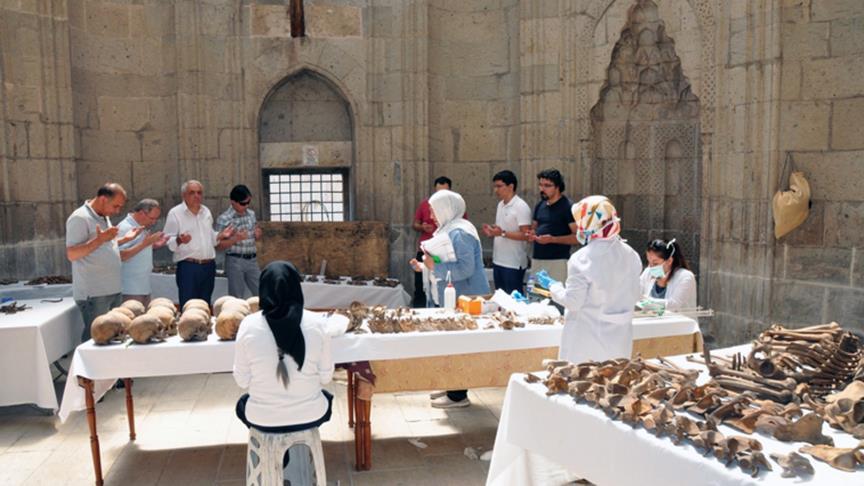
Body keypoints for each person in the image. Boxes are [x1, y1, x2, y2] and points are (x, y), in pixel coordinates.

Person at [233, 261, 336, 475]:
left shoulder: (248, 325)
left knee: (242, 405)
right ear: (296, 287)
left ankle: (274, 466)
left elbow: (241, 381)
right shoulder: (318, 323)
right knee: (325, 396)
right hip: (310, 413)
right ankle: (296, 463)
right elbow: (326, 377)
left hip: (262, 418)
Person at [535, 196, 642, 364]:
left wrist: (553, 286)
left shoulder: (582, 258)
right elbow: (637, 294)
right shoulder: (631, 254)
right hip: (620, 342)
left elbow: (573, 302)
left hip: (586, 343)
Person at [410, 190, 489, 409]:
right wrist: (423, 266)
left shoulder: (460, 233)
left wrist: (434, 265)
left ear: (447, 209)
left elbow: (465, 269)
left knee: (460, 345)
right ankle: (451, 385)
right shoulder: (448, 230)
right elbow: (443, 261)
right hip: (454, 295)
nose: (432, 216)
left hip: (466, 296)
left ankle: (458, 395)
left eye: (434, 211)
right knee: (450, 344)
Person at [66, 183, 130, 341]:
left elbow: (104, 247)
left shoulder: (104, 216)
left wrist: (126, 239)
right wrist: (100, 239)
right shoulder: (79, 218)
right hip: (94, 293)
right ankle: (86, 366)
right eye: (115, 206)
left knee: (114, 335)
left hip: (112, 288)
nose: (117, 211)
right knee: (95, 338)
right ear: (102, 199)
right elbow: (72, 254)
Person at [163, 180, 236, 307]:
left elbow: (210, 237)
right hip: (188, 267)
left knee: (205, 305)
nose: (197, 196)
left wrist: (221, 235)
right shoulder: (175, 213)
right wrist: (180, 240)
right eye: (192, 193)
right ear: (184, 195)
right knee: (188, 306)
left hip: (208, 266)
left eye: (199, 193)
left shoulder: (206, 211)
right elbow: (168, 240)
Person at [411, 176, 463, 306]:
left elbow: (462, 269)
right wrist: (422, 227)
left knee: (441, 285)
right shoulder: (425, 204)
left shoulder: (459, 232)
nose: (432, 216)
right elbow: (415, 224)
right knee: (421, 286)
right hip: (427, 251)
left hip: (444, 256)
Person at [482, 170, 532, 294]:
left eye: (499, 186)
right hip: (498, 260)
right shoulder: (500, 205)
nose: (496, 190)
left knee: (514, 301)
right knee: (501, 299)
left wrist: (502, 233)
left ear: (511, 186)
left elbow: (526, 235)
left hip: (513, 263)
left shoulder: (521, 206)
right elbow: (502, 229)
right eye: (495, 186)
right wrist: (492, 231)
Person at [527, 169, 578, 283]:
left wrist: (553, 239)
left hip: (558, 262)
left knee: (556, 299)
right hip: (537, 260)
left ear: (557, 187)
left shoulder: (568, 207)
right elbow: (533, 229)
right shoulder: (540, 205)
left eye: (547, 185)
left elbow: (578, 237)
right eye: (540, 185)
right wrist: (531, 235)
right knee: (535, 297)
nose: (542, 189)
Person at [117, 199, 168, 306]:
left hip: (142, 285)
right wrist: (146, 243)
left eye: (156, 219)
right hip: (130, 288)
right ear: (141, 213)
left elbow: (137, 249)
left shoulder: (141, 225)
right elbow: (121, 256)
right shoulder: (125, 227)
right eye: (152, 218)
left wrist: (153, 245)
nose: (154, 222)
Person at [216, 185, 262, 298]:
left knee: (262, 291)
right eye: (243, 203)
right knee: (237, 297)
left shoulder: (251, 214)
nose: (246, 206)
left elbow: (256, 234)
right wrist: (235, 239)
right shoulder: (224, 219)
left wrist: (257, 235)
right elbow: (218, 246)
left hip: (252, 260)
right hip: (234, 261)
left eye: (248, 202)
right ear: (233, 202)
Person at [639, 238, 697, 311]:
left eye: (655, 263)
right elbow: (636, 291)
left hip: (678, 321)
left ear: (669, 260)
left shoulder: (685, 277)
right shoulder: (648, 272)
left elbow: (674, 305)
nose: (651, 267)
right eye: (649, 262)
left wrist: (645, 301)